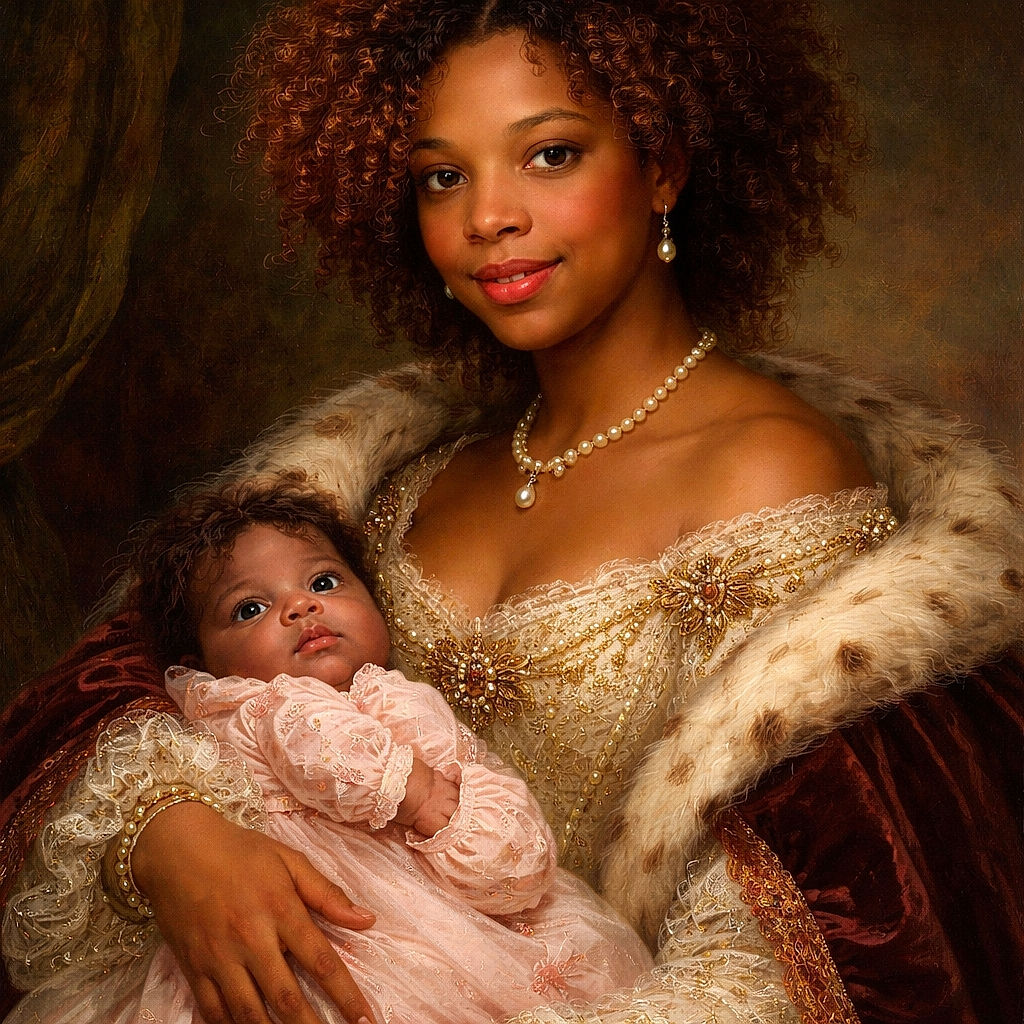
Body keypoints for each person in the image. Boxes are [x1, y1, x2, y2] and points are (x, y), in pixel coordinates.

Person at [2, 1, 1022, 1023]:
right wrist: (174, 832)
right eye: (444, 176)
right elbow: (127, 688)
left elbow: (776, 947)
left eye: (548, 155)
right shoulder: (401, 475)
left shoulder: (773, 469)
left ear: (662, 164)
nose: (488, 216)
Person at [2, 478, 651, 1024]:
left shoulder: (410, 705)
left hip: (446, 930)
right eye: (250, 607)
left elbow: (499, 814)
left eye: (324, 580)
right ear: (200, 660)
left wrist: (468, 825)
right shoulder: (255, 709)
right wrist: (418, 790)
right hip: (303, 931)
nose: (299, 606)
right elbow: (325, 752)